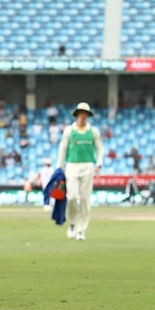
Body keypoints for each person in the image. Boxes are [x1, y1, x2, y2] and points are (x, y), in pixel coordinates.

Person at [57, 102, 104, 241]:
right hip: (71, 165)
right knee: (71, 197)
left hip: (87, 166)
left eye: (85, 113)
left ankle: (81, 230)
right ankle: (72, 223)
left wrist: (99, 164)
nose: (83, 116)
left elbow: (100, 149)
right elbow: (63, 149)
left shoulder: (93, 131)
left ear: (88, 115)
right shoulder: (69, 131)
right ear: (77, 114)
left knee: (84, 199)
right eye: (81, 113)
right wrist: (60, 166)